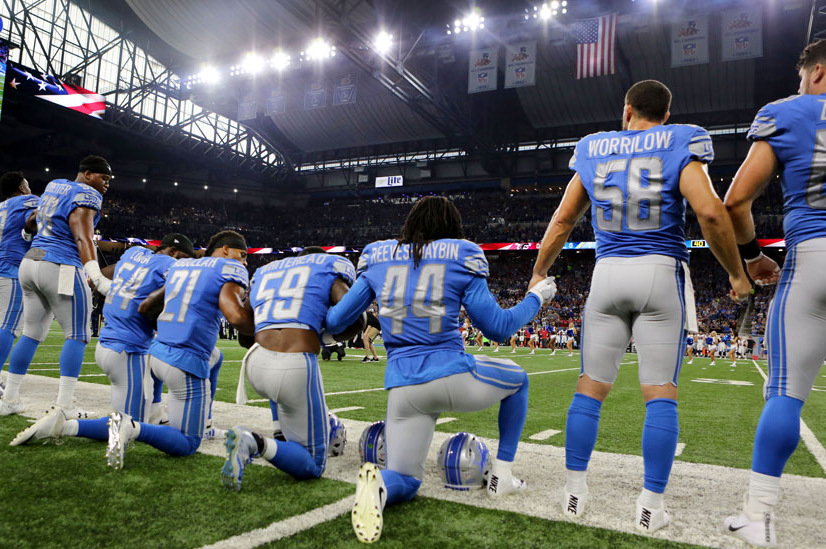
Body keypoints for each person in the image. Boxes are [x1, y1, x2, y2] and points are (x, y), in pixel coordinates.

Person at [531, 80, 751, 532]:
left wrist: (539, 272)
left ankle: (574, 494)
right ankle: (650, 507)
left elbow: (563, 219)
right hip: (659, 272)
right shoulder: (679, 138)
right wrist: (735, 272)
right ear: (666, 115)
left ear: (626, 110)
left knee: (588, 391)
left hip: (607, 274)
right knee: (660, 395)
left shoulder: (594, 147)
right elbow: (710, 212)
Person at [323, 196, 557, 544]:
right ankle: (502, 476)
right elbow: (498, 328)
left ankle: (382, 486)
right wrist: (536, 298)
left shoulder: (378, 256)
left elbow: (338, 320)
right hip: (451, 374)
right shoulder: (461, 254)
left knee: (406, 478)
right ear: (452, 228)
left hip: (402, 387)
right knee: (519, 381)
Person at [722, 36, 826, 546]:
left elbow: (736, 199)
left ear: (818, 71)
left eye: (804, 77)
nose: (800, 85)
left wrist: (755, 254)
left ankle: (757, 518)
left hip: (814, 260)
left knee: (784, 393)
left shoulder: (788, 112)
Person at [9, 235, 195, 447]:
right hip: (128, 350)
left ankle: (155, 411)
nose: (183, 264)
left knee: (132, 406)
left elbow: (102, 278)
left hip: (106, 344)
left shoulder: (134, 253)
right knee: (129, 423)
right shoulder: (171, 266)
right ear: (171, 251)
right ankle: (64, 426)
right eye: (182, 258)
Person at [102, 230, 254, 469]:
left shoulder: (183, 267)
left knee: (217, 356)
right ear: (225, 250)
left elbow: (146, 306)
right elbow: (236, 318)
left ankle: (71, 424)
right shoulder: (229, 269)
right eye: (242, 255)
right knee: (187, 443)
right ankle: (134, 426)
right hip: (185, 358)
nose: (244, 262)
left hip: (158, 351)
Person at [221, 247, 361, 490]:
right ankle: (253, 442)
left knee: (281, 391)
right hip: (293, 365)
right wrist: (323, 333)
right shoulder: (328, 268)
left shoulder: (266, 272)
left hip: (255, 362)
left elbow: (246, 331)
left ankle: (279, 432)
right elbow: (354, 318)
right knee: (313, 464)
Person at [0, 156, 114, 416]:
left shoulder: (54, 185)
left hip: (30, 262)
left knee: (31, 332)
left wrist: (28, 234)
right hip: (60, 265)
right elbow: (82, 236)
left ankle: (9, 399)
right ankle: (64, 405)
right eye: (102, 178)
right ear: (86, 174)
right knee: (78, 334)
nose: (106, 184)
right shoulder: (86, 194)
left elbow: (32, 220)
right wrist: (96, 276)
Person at [0, 172, 38, 401]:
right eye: (28, 184)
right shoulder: (28, 201)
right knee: (10, 328)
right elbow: (46, 214)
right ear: (22, 187)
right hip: (11, 270)